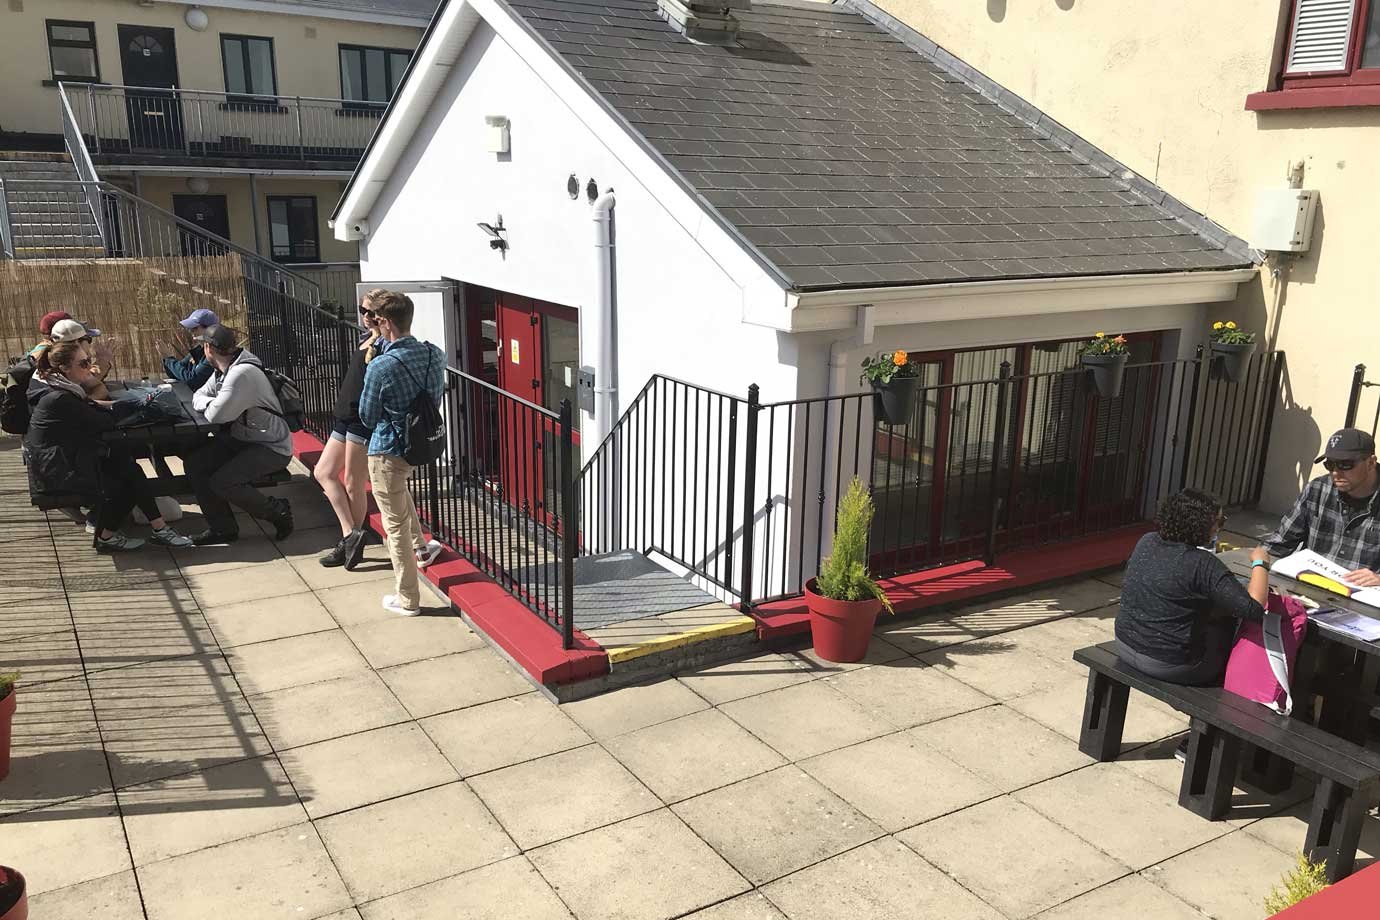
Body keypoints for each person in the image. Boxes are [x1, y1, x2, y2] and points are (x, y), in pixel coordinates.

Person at [24, 341, 192, 552]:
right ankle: (117, 536)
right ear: (65, 368)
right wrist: (135, 408)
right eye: (83, 363)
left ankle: (157, 529)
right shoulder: (59, 397)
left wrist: (128, 403)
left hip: (63, 459)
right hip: (57, 471)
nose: (89, 367)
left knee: (126, 463)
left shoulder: (59, 386)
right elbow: (101, 420)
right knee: (125, 480)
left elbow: (88, 406)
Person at [316, 292, 442, 571]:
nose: (364, 315)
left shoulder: (386, 350)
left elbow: (373, 404)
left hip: (364, 425)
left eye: (369, 312)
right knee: (324, 472)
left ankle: (354, 540)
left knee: (357, 484)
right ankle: (352, 535)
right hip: (347, 418)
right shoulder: (370, 341)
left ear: (382, 318)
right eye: (361, 309)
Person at [1117, 489, 1269, 687]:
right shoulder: (1201, 563)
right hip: (1173, 665)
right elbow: (1254, 608)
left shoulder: (1147, 541)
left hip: (1125, 644)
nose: (1219, 529)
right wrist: (1261, 562)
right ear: (1201, 525)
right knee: (1229, 623)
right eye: (1219, 522)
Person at [358, 291, 445, 616]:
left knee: (393, 525)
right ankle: (423, 547)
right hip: (419, 444)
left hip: (387, 450)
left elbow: (368, 416)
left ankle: (408, 598)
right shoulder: (434, 354)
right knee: (401, 495)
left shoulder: (381, 366)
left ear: (385, 322)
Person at [184, 325, 295, 545]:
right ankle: (222, 529)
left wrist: (211, 404)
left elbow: (216, 415)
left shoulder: (241, 373)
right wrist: (212, 402)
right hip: (244, 438)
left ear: (208, 348)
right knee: (196, 463)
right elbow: (200, 395)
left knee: (223, 482)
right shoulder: (224, 367)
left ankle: (277, 512)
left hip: (271, 446)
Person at [1262, 428, 1380, 586]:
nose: (1336, 473)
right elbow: (1280, 543)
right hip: (1313, 587)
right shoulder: (1318, 489)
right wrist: (1258, 558)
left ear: (1371, 463)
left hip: (1365, 599)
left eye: (1345, 465)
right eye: (1330, 465)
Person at [48, 318, 116, 400]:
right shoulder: (52, 373)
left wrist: (88, 403)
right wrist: (103, 362)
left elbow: (98, 387)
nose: (88, 366)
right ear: (77, 342)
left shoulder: (67, 361)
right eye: (89, 339)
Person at [161, 308, 219, 390]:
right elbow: (176, 373)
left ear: (210, 329)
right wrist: (167, 358)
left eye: (195, 328)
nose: (191, 331)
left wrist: (169, 358)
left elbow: (193, 380)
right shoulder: (199, 351)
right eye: (190, 328)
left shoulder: (215, 353)